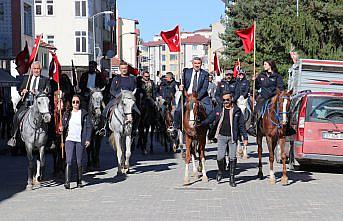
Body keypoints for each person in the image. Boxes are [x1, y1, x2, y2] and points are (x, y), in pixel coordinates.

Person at [199, 92, 248, 187]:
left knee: (232, 157)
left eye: (227, 100)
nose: (225, 102)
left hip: (232, 137)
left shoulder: (237, 110)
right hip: (221, 136)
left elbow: (241, 125)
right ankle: (221, 170)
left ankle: (232, 178)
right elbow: (210, 118)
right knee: (220, 157)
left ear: (231, 99)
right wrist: (201, 124)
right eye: (224, 100)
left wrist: (245, 137)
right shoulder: (219, 109)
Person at [8, 61, 50, 147]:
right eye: (34, 68)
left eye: (38, 68)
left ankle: (50, 140)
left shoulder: (45, 79)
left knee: (49, 117)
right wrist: (22, 91)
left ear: (40, 70)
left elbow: (48, 90)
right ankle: (14, 137)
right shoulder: (27, 79)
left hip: (40, 105)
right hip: (27, 103)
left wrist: (42, 92)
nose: (36, 70)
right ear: (31, 69)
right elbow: (20, 89)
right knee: (17, 116)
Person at [61, 95, 92, 189]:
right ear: (71, 103)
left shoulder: (84, 114)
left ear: (80, 103)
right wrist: (61, 127)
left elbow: (88, 127)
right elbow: (63, 125)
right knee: (69, 160)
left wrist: (88, 139)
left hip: (80, 140)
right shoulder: (67, 113)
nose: (75, 104)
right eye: (73, 102)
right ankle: (67, 182)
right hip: (69, 139)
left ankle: (79, 181)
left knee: (79, 161)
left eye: (77, 102)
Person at [248, 60, 285, 136]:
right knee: (256, 110)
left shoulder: (277, 76)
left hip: (273, 97)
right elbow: (257, 86)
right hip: (263, 97)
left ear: (270, 65)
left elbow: (281, 87)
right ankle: (253, 126)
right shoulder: (261, 75)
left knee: (282, 109)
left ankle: (284, 127)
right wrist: (254, 81)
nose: (264, 66)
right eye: (264, 64)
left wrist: (278, 94)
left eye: (265, 64)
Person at [174, 57, 212, 129]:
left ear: (201, 64)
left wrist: (196, 98)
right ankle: (176, 128)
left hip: (201, 96)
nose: (197, 65)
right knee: (178, 111)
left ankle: (210, 130)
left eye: (199, 63)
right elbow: (181, 83)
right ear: (192, 64)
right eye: (195, 63)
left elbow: (204, 88)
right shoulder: (186, 72)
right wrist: (180, 86)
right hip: (187, 96)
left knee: (210, 110)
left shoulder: (205, 74)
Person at [102, 61, 137, 134]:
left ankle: (135, 129)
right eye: (122, 68)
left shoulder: (132, 78)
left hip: (128, 100)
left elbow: (134, 89)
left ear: (127, 69)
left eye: (125, 68)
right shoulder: (116, 79)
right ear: (120, 69)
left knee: (138, 112)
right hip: (116, 99)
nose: (124, 70)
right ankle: (104, 128)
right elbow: (112, 90)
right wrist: (118, 95)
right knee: (105, 110)